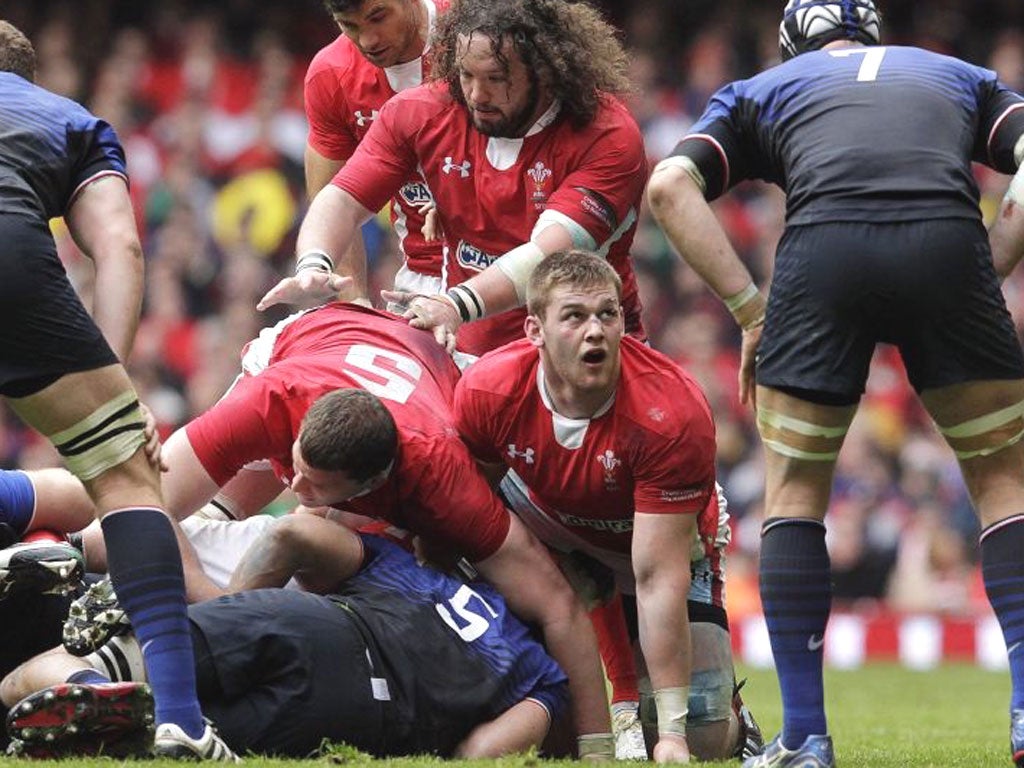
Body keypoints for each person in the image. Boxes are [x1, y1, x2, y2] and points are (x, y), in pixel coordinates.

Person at [645, 1, 1024, 766]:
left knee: (792, 495)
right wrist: (987, 265)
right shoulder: (959, 74)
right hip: (947, 241)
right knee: (1006, 485)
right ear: (875, 38)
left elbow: (667, 189)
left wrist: (752, 314)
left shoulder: (765, 87)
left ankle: (807, 739)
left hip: (822, 256)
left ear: (793, 45)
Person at [95, 300, 614, 756]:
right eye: (294, 467)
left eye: (313, 485)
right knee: (141, 517)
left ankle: (94, 617)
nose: (293, 486)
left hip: (338, 628)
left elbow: (289, 534)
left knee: (138, 540)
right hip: (358, 671)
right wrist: (594, 748)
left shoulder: (441, 498)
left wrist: (213, 606)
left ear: (373, 489)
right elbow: (481, 743)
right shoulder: (534, 676)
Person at [0, 21, 235, 760]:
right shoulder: (70, 119)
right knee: (128, 482)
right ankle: (181, 719)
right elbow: (120, 245)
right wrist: (118, 393)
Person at [452, 250, 757, 764]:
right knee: (538, 711)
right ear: (534, 330)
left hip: (661, 545)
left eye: (607, 314)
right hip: (550, 531)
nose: (595, 330)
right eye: (574, 316)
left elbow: (658, 577)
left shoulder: (671, 412)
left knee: (699, 731)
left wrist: (675, 739)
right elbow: (469, 509)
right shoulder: (487, 388)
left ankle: (736, 724)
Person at [257, 0, 648, 362]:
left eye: (496, 78)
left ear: (542, 69)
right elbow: (340, 198)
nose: (476, 94)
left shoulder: (609, 136)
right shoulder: (423, 109)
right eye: (465, 75)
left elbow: (549, 257)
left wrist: (454, 304)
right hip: (466, 343)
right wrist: (314, 263)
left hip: (584, 353)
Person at [1, 524, 569, 760]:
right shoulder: (541, 676)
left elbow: (289, 533)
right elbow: (474, 756)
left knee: (25, 677)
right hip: (358, 717)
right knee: (167, 747)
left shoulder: (420, 570)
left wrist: (231, 611)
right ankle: (123, 717)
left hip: (311, 624)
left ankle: (94, 685)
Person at [304, 0, 449, 302]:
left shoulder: (476, 33)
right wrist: (356, 303)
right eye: (350, 26)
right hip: (423, 282)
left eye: (378, 17)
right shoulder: (332, 74)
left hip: (515, 265)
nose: (368, 40)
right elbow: (333, 202)